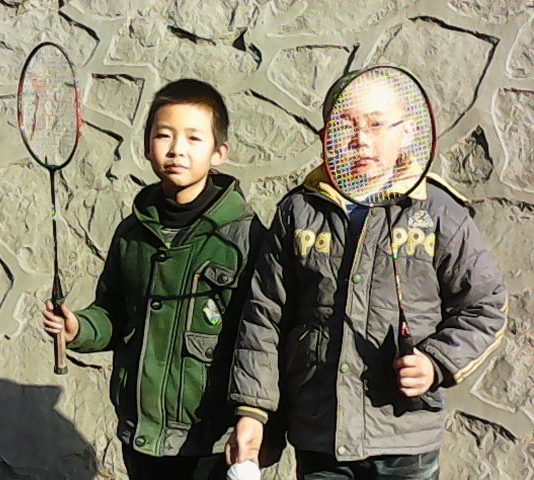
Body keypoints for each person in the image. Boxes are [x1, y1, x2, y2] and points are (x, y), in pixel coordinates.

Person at [226, 67, 508, 479]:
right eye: (344, 126)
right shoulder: (298, 211)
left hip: (404, 437)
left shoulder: (437, 212)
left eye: (375, 124)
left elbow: (485, 305)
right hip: (320, 434)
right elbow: (264, 316)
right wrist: (253, 411)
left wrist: (436, 362)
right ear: (325, 137)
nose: (360, 139)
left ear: (408, 132)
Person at [42, 78, 265, 480]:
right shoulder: (132, 233)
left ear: (219, 152)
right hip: (142, 437)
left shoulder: (244, 238)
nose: (177, 149)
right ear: (147, 146)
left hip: (211, 441)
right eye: (164, 135)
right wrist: (79, 328)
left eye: (194, 138)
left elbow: (261, 336)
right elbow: (113, 312)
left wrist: (254, 416)